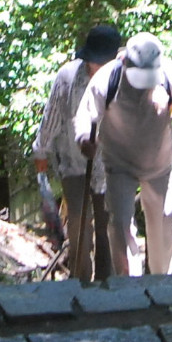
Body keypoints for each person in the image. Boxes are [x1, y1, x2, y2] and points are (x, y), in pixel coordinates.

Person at [72, 33, 172, 276]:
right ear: (124, 62)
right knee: (120, 224)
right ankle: (129, 283)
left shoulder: (169, 73)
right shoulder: (108, 77)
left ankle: (160, 280)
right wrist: (84, 139)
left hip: (159, 164)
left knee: (164, 224)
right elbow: (86, 114)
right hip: (119, 163)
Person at [34, 24, 120, 282]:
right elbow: (53, 116)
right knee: (79, 223)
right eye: (92, 61)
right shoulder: (68, 76)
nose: (96, 66)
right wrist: (41, 149)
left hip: (111, 165)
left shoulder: (124, 78)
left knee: (109, 227)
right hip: (73, 161)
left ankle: (108, 283)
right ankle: (80, 282)